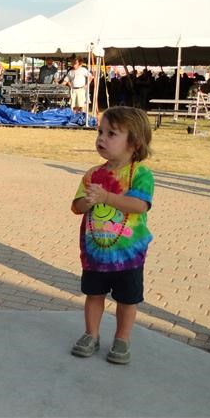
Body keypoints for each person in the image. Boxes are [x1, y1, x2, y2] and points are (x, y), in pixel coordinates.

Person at [70, 106, 154, 365]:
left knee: (127, 300)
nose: (101, 138)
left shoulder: (140, 174)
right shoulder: (93, 174)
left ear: (134, 142)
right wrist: (88, 201)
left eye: (111, 134)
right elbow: (76, 206)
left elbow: (139, 205)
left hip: (128, 254)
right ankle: (91, 334)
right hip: (96, 252)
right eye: (100, 132)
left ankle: (122, 338)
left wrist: (106, 197)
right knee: (93, 295)